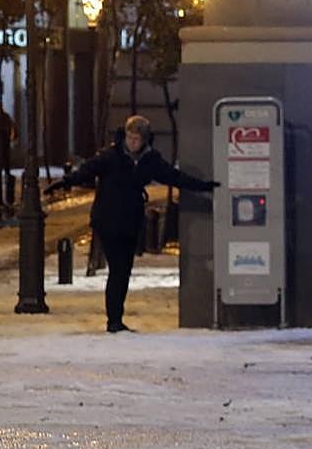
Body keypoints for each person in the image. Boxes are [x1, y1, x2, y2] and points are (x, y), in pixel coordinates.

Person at [45, 114, 219, 333]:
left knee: (123, 270)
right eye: (130, 137)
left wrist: (203, 186)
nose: (132, 142)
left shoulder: (150, 160)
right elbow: (88, 169)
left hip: (130, 221)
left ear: (144, 140)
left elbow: (173, 176)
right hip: (107, 220)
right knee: (118, 269)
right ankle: (114, 320)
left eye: (137, 139)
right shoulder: (111, 156)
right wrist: (66, 181)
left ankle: (116, 319)